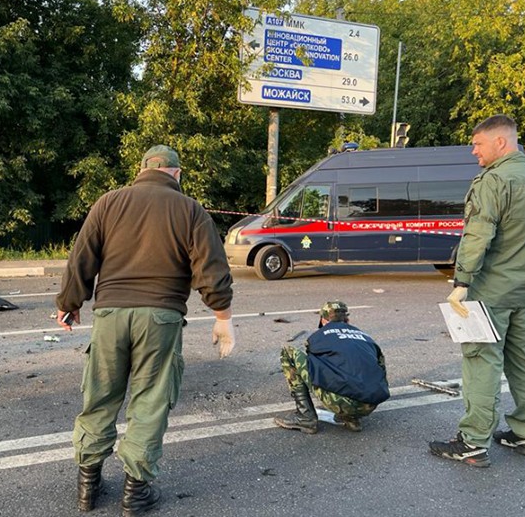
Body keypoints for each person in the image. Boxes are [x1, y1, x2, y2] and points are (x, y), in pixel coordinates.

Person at [56, 145, 235, 515]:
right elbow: (211, 268)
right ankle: (134, 493)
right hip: (161, 316)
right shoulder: (190, 210)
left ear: (140, 171)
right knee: (150, 401)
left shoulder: (108, 202)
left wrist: (69, 304)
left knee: (100, 396)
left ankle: (87, 487)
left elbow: (82, 257)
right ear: (177, 174)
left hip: (109, 315)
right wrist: (222, 316)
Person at [429, 114, 525, 468]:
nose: (474, 151)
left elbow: (477, 235)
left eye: (478, 144)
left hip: (489, 291)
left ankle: (472, 441)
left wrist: (462, 282)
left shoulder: (494, 181)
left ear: (501, 142)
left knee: (481, 362)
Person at [274, 301, 389, 434]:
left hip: (340, 401)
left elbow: (316, 364)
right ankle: (351, 418)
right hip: (370, 404)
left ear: (323, 320)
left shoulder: (318, 336)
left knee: (289, 352)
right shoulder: (366, 337)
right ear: (347, 319)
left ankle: (306, 418)